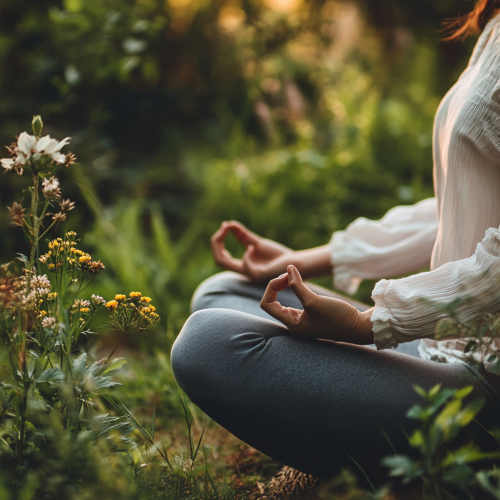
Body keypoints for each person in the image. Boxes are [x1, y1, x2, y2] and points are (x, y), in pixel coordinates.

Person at [172, 0, 500, 482]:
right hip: (437, 346)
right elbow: (459, 206)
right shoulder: (494, 24)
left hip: (483, 374)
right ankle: (384, 449)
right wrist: (305, 259)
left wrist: (367, 323)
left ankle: (469, 466)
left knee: (209, 344)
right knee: (219, 294)